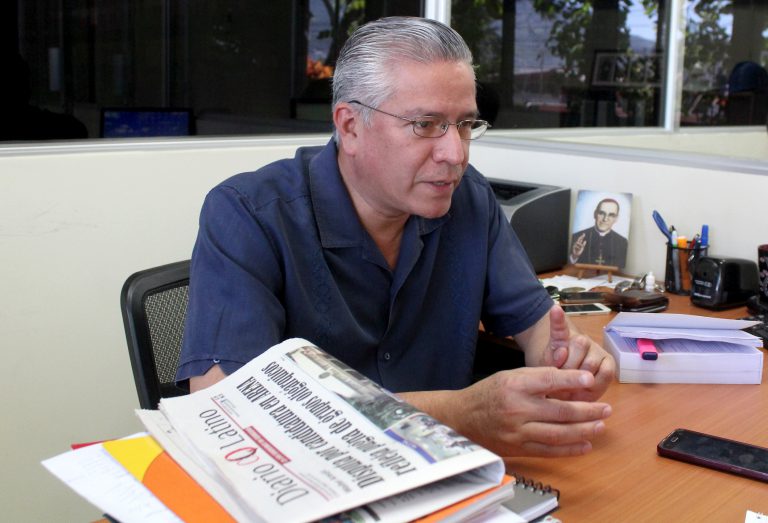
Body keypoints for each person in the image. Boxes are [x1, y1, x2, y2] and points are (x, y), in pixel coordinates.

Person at [177, 16, 614, 459]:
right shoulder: (248, 214)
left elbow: (537, 323)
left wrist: (566, 361)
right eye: (425, 124)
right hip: (310, 475)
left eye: (465, 124)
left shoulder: (468, 199)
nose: (455, 154)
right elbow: (225, 412)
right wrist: (462, 413)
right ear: (350, 126)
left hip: (447, 472)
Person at [569, 198, 628, 267]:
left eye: (611, 215)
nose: (605, 219)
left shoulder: (623, 242)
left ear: (616, 218)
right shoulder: (577, 237)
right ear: (595, 214)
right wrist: (574, 256)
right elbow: (569, 267)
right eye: (601, 213)